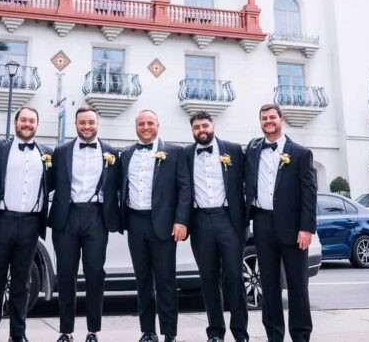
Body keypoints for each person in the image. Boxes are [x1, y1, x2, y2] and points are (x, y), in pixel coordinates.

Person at [0, 106, 52, 342]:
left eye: (32, 120)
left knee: (22, 283)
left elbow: (54, 182)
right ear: (16, 122)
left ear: (37, 125)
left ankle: (18, 334)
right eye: (23, 120)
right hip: (1, 222)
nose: (27, 124)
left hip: (30, 225)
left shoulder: (46, 153)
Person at [244, 103, 318, 342]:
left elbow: (309, 193)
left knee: (298, 286)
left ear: (281, 120)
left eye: (272, 117)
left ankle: (300, 336)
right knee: (269, 285)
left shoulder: (300, 153)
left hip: (294, 227)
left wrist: (306, 228)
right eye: (264, 118)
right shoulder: (254, 148)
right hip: (263, 224)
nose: (268, 121)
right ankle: (273, 336)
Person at [48, 105, 121, 342]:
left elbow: (120, 186)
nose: (87, 126)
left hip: (97, 218)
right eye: (82, 123)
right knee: (66, 275)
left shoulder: (112, 152)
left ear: (97, 123)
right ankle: (66, 331)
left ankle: (93, 331)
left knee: (95, 275)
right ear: (76, 124)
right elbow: (46, 182)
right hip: (66, 216)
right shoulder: (61, 152)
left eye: (91, 122)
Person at [119, 109, 191, 342]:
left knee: (166, 281)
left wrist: (181, 220)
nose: (146, 127)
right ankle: (148, 332)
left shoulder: (174, 152)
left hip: (163, 224)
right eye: (142, 123)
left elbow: (184, 189)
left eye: (150, 122)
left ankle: (169, 333)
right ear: (136, 126)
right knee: (142, 281)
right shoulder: (127, 153)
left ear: (158, 124)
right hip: (135, 222)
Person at [181, 111, 249, 342]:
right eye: (197, 127)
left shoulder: (234, 150)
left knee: (234, 276)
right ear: (192, 131)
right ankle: (215, 332)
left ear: (213, 126)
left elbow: (249, 182)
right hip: (199, 221)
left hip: (229, 220)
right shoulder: (185, 154)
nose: (202, 130)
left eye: (205, 125)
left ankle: (240, 333)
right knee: (208, 278)